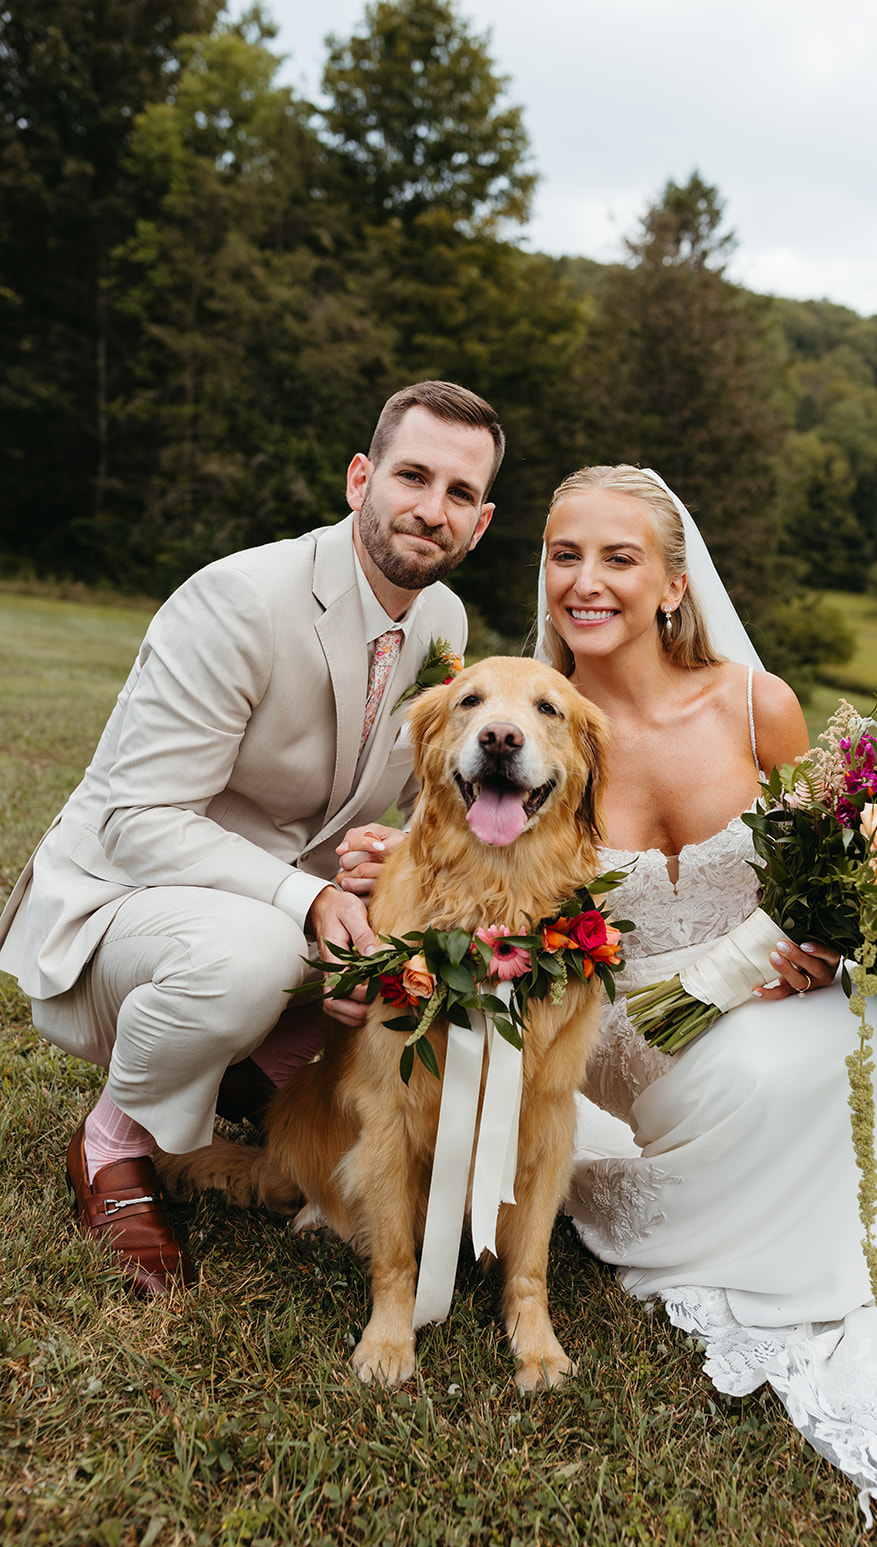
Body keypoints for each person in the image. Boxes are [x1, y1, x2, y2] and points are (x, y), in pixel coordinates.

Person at [532, 463, 877, 1547]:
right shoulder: (532, 728)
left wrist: (837, 933)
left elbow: (853, 843)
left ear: (672, 584)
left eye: (617, 558)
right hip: (640, 1024)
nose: (584, 582)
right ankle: (804, 1259)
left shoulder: (750, 703)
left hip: (793, 982)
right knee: (782, 1074)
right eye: (562, 555)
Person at [0, 380, 503, 1298]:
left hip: (284, 916)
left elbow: (388, 807)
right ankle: (112, 1143)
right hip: (122, 909)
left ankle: (254, 1070)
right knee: (255, 955)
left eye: (459, 493)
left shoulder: (443, 623)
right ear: (360, 479)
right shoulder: (239, 597)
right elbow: (137, 819)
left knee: (419, 959)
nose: (432, 510)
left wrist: (380, 878)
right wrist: (311, 899)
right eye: (412, 476)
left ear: (481, 520)